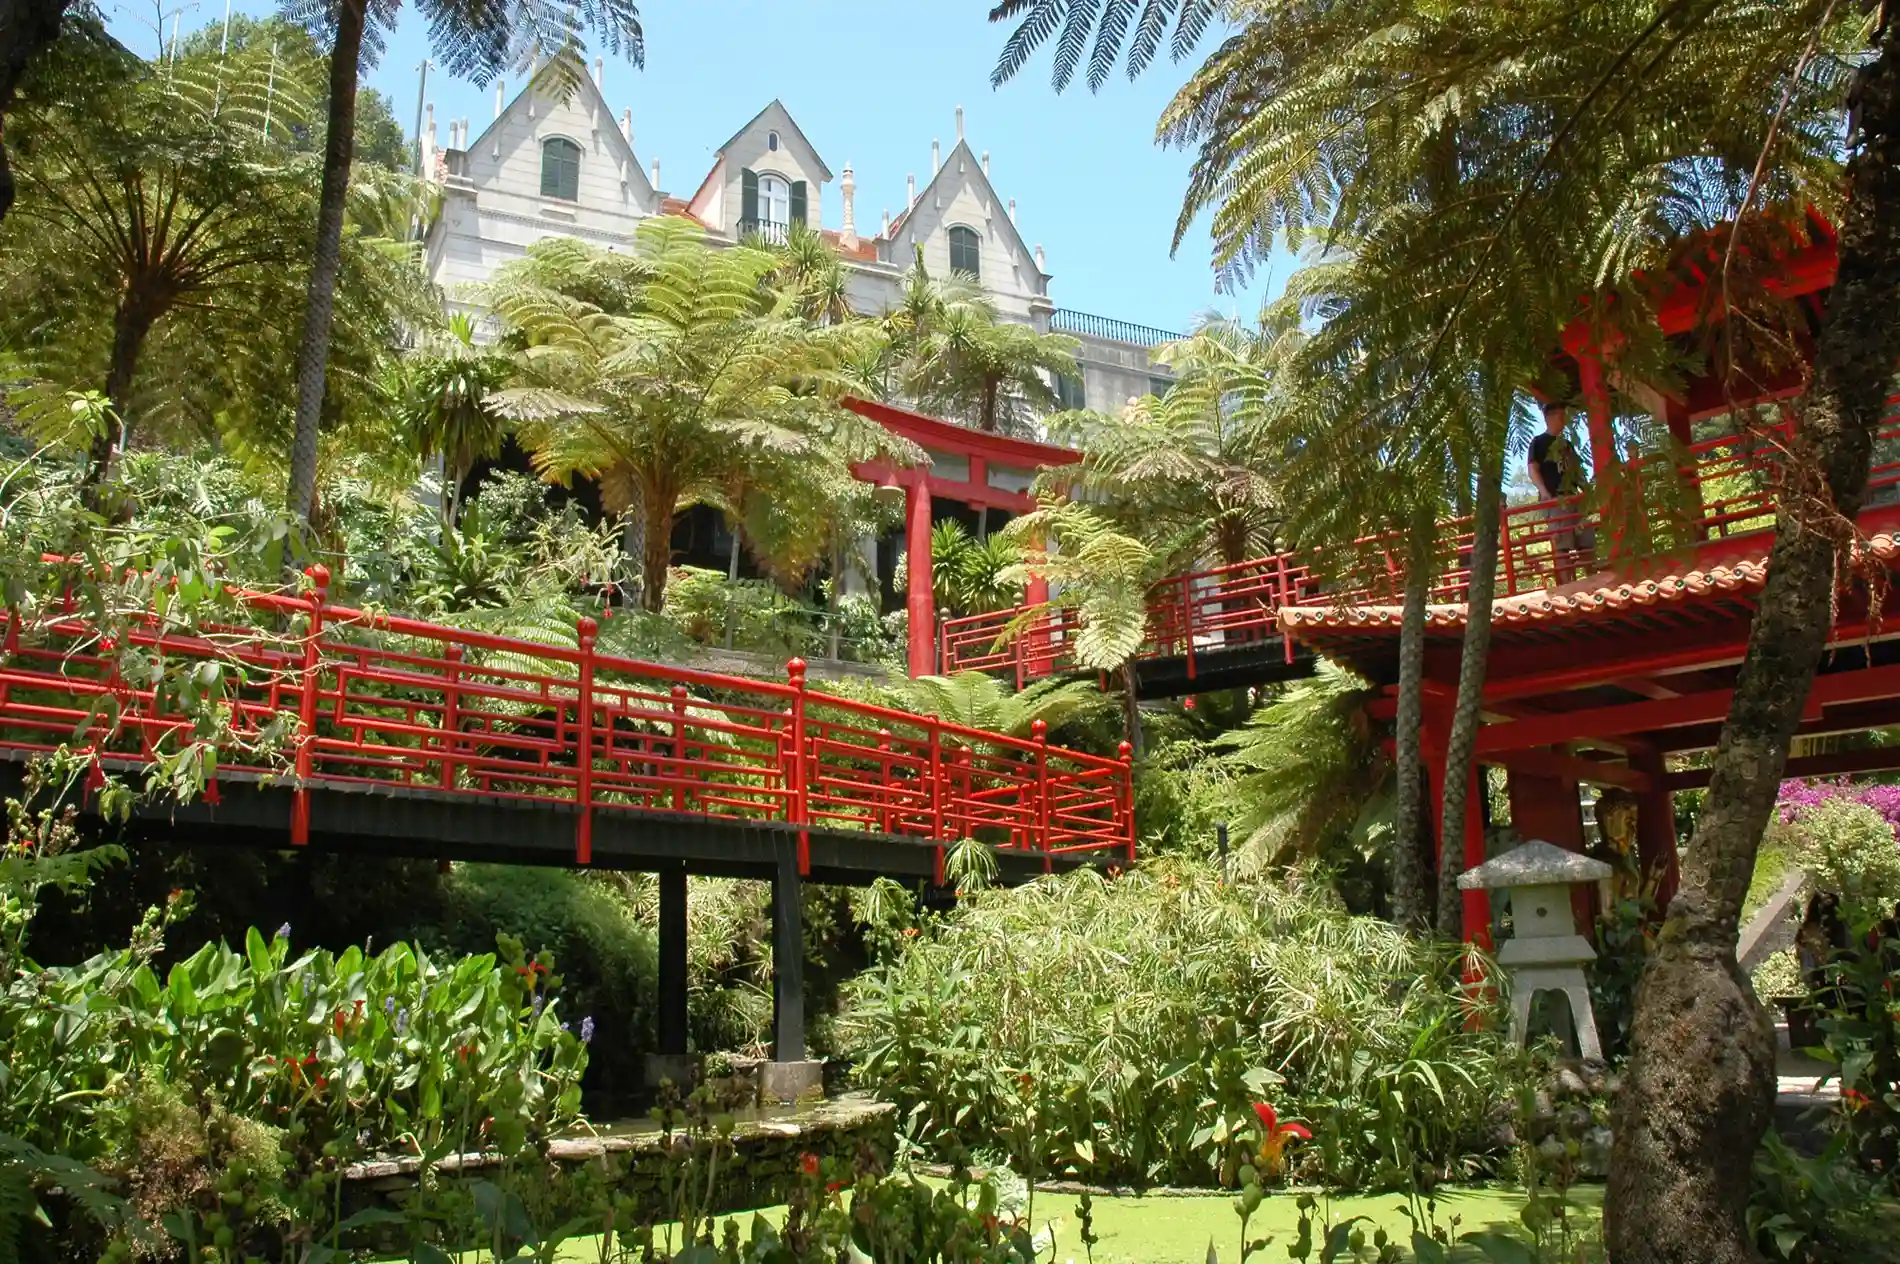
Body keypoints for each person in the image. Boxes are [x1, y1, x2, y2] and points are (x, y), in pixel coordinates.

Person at [1528, 402, 1581, 584]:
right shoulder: (1539, 442)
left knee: (1585, 539)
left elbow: (1576, 471)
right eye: (1560, 416)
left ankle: (1591, 580)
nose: (1563, 420)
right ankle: (1567, 585)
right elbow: (1533, 469)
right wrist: (1545, 494)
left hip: (1573, 495)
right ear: (1549, 418)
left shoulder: (1567, 445)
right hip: (1555, 498)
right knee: (1562, 544)